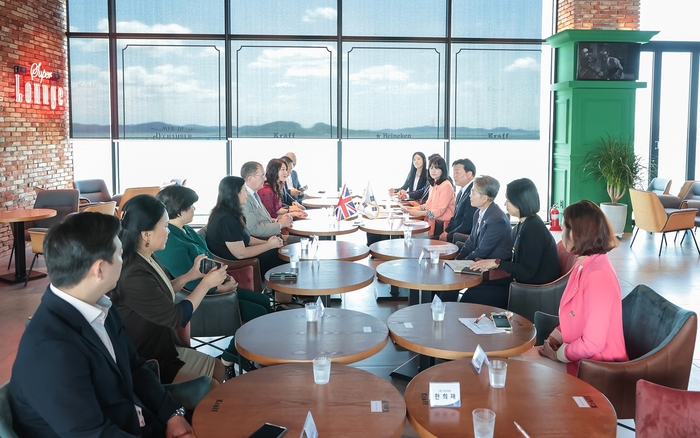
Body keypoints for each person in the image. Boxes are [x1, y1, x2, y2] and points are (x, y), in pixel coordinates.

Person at [10, 212, 193, 437]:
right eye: (119, 254)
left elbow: (135, 367)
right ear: (99, 269)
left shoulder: (100, 306)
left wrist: (173, 414)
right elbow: (91, 433)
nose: (123, 260)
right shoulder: (50, 348)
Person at [111, 195, 229, 385]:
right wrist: (206, 284)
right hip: (148, 359)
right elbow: (176, 317)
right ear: (146, 234)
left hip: (162, 346)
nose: (168, 232)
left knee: (218, 368)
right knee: (212, 385)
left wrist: (189, 276)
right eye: (165, 226)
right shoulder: (134, 272)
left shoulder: (144, 257)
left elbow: (160, 292)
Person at [154, 184, 272, 323]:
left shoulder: (186, 229)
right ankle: (236, 345)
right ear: (180, 211)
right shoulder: (170, 242)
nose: (194, 209)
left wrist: (225, 276)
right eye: (191, 206)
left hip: (214, 284)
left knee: (264, 301)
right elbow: (189, 283)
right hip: (202, 297)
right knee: (259, 311)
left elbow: (208, 256)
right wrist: (221, 288)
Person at [538, 200, 628, 376]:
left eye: (565, 227)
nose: (561, 232)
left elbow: (593, 343)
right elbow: (573, 317)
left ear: (578, 234)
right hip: (580, 357)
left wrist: (558, 355)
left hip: (598, 368)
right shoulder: (584, 264)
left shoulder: (598, 276)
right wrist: (553, 339)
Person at [469, 178, 560, 286]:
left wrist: (496, 263)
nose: (505, 203)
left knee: (475, 294)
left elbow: (527, 271)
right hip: (519, 283)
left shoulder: (533, 229)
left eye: (508, 200)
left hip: (531, 289)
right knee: (476, 290)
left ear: (520, 201)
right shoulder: (525, 223)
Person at [206, 175, 285, 281]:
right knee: (279, 255)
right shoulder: (226, 218)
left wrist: (269, 242)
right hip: (236, 263)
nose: (247, 194)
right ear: (235, 194)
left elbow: (246, 238)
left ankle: (284, 292)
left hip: (241, 257)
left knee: (280, 250)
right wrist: (269, 245)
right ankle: (285, 291)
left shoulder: (229, 212)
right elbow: (240, 253)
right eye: (244, 191)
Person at [454, 175, 513, 307]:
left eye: (473, 192)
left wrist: (461, 265)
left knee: (463, 292)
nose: (470, 195)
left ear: (485, 198)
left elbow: (482, 250)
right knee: (447, 284)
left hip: (495, 275)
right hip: (480, 266)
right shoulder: (479, 213)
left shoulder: (497, 220)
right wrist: (457, 260)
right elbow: (470, 242)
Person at [401, 156, 455, 238]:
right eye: (431, 167)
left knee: (411, 235)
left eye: (436, 168)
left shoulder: (446, 185)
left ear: (442, 170)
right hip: (431, 222)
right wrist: (411, 209)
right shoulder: (433, 184)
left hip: (440, 226)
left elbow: (439, 211)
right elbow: (427, 205)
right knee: (409, 233)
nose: (433, 171)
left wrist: (417, 213)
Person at [240, 160, 294, 240]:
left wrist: (277, 221)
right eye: (262, 175)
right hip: (262, 242)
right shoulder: (244, 198)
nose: (265, 178)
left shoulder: (254, 194)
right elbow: (253, 229)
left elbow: (263, 219)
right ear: (250, 178)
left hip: (271, 237)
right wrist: (280, 224)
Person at [439, 158, 477, 243]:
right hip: (454, 233)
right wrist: (446, 232)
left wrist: (449, 235)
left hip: (462, 238)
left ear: (469, 174)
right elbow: (455, 218)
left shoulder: (473, 193)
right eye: (453, 173)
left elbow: (467, 223)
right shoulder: (461, 191)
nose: (454, 176)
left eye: (457, 172)